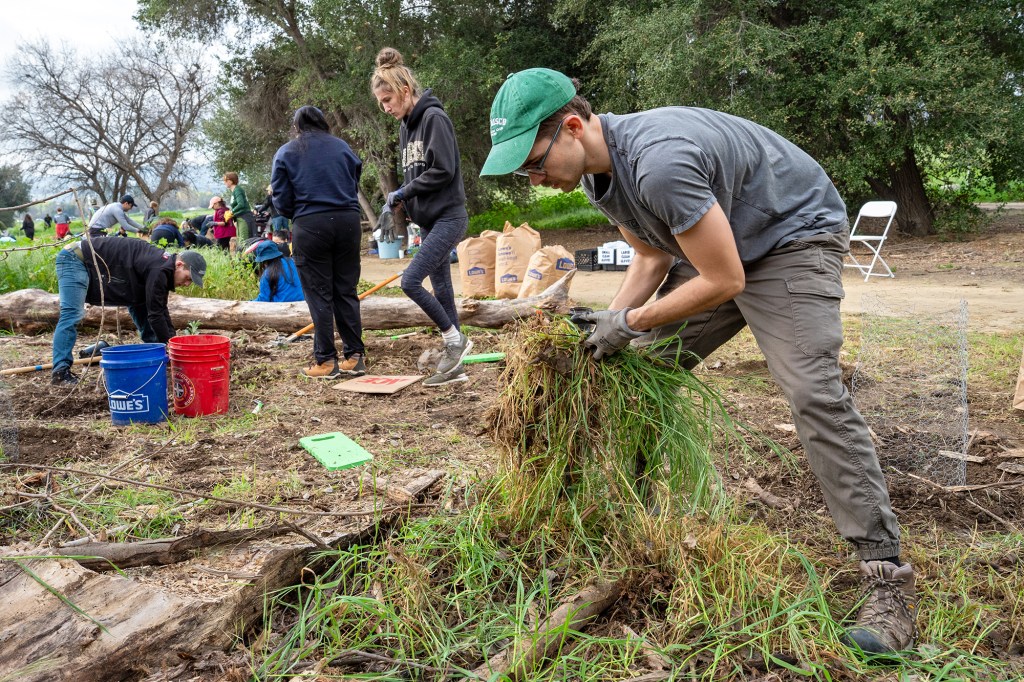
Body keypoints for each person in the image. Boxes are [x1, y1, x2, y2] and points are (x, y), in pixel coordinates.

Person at [480, 68, 916, 655]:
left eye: (533, 162)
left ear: (573, 128)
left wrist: (630, 323)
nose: (533, 178)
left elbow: (725, 277)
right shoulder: (595, 177)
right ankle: (638, 523)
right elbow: (651, 258)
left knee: (812, 392)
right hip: (720, 247)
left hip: (790, 239)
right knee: (637, 373)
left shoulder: (659, 163)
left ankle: (887, 581)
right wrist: (606, 326)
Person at [372, 47, 471, 387]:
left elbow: (443, 170)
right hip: (428, 221)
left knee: (410, 282)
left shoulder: (434, 119)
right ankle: (455, 366)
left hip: (449, 217)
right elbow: (416, 175)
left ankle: (456, 340)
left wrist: (404, 192)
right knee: (442, 287)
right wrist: (399, 201)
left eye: (387, 99)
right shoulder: (405, 128)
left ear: (404, 90)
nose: (385, 108)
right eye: (381, 103)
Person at [271, 105, 366, 379]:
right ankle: (355, 356)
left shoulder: (288, 151)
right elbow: (354, 182)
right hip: (348, 221)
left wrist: (299, 214)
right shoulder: (342, 147)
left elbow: (281, 198)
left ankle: (326, 361)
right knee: (346, 290)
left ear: (297, 126)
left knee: (319, 293)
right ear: (324, 123)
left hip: (311, 224)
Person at [50, 237, 206, 385]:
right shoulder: (159, 268)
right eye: (188, 278)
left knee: (140, 302)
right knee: (72, 314)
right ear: (179, 265)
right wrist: (173, 348)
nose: (187, 284)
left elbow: (160, 309)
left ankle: (160, 358)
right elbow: (156, 315)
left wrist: (172, 343)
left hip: (93, 264)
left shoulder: (162, 267)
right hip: (75, 258)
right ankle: (60, 372)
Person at [223, 172, 254, 243]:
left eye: (226, 180)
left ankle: (246, 254)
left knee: (244, 239)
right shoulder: (234, 191)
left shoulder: (237, 190)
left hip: (245, 217)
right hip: (239, 218)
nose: (224, 182)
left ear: (231, 181)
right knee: (240, 239)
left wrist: (231, 211)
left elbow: (241, 204)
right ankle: (241, 254)